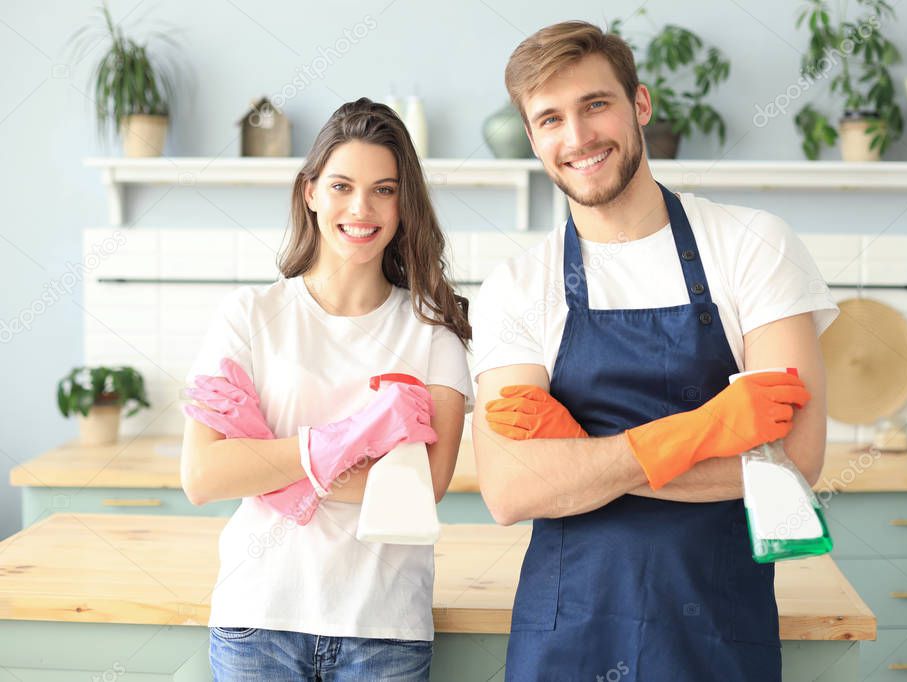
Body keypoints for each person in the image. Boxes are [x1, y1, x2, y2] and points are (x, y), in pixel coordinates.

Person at [470, 21, 839, 681]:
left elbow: (792, 465)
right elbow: (509, 490)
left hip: (716, 633)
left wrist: (578, 453)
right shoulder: (517, 287)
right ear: (532, 140)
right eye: (550, 119)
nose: (577, 137)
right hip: (566, 635)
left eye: (595, 105)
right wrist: (708, 429)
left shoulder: (753, 245)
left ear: (639, 105)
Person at [180, 97, 473, 681]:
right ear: (310, 191)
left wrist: (269, 463)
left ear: (403, 203)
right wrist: (347, 444)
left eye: (384, 190)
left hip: (383, 629)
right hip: (258, 620)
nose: (361, 208)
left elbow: (420, 491)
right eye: (342, 185)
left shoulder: (434, 332)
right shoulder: (248, 314)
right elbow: (204, 476)